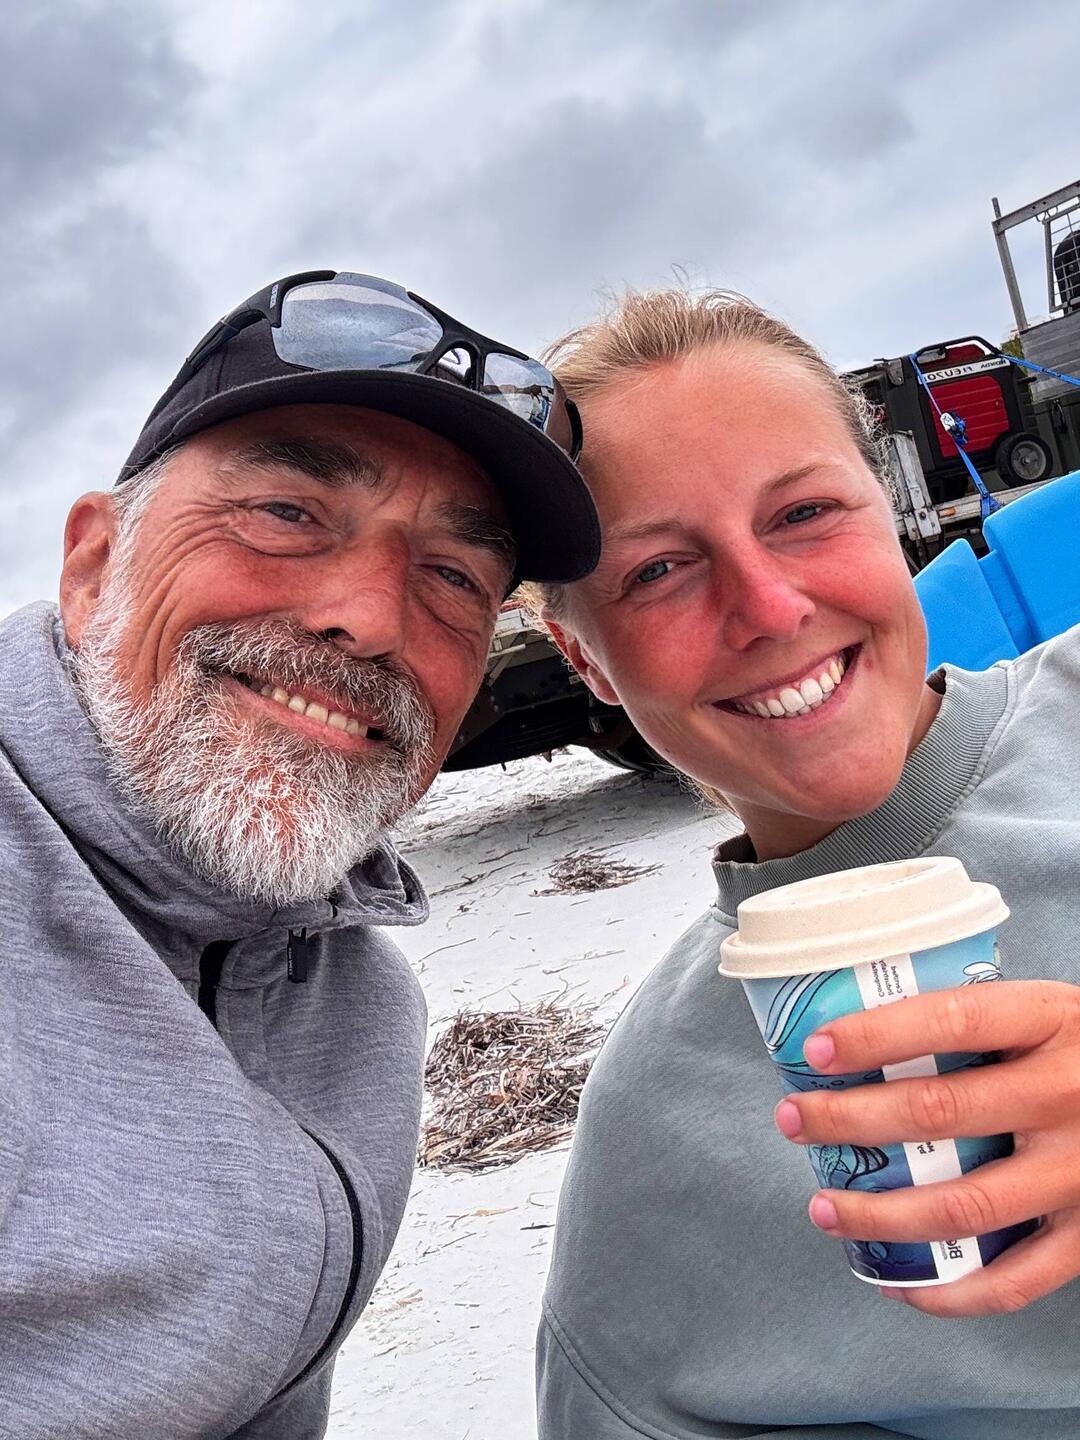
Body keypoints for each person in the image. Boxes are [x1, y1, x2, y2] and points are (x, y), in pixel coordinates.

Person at [0, 269, 599, 1439]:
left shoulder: (357, 998)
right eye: (287, 512)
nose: (368, 618)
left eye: (454, 577)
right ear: (92, 566)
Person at [531, 288, 1080, 1439]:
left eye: (805, 512)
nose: (771, 608)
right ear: (583, 657)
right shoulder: (655, 1156)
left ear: (888, 507)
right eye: (658, 571)